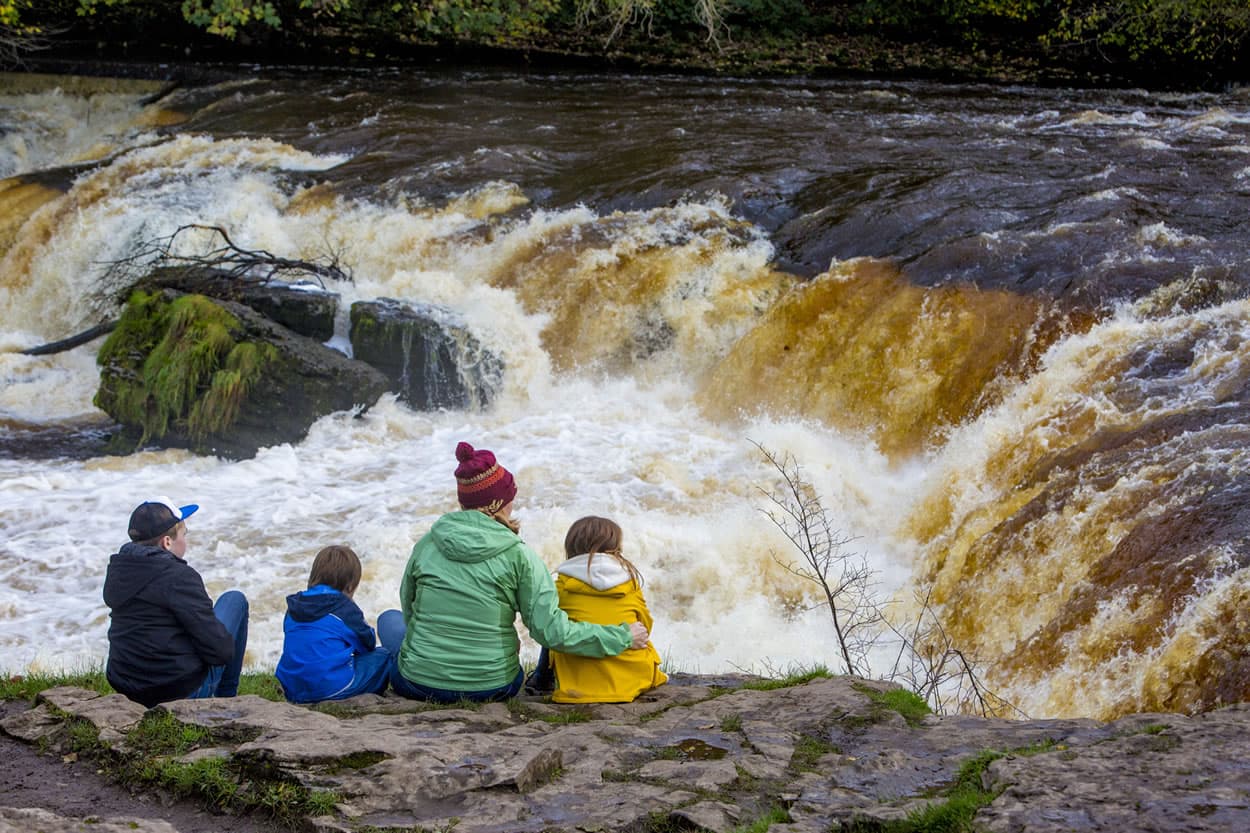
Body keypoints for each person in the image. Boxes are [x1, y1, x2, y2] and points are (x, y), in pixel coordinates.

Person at [385, 441, 650, 703]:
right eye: (510, 497)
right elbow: (551, 632)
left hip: (417, 683)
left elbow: (409, 608)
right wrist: (622, 636)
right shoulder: (521, 556)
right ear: (500, 502)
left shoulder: (427, 544)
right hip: (492, 686)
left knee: (389, 621)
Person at [103, 497, 248, 708]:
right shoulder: (179, 577)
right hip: (176, 692)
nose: (186, 541)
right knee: (235, 600)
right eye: (184, 534)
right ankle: (225, 702)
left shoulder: (118, 570)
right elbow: (221, 652)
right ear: (167, 542)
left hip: (128, 689)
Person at [528, 516, 667, 703]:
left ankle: (541, 679)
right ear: (616, 547)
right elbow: (645, 627)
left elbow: (552, 632)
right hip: (632, 680)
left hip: (579, 684)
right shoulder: (630, 584)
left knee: (555, 624)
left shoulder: (560, 587)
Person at [275, 545, 397, 703]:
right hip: (328, 689)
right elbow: (368, 644)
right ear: (350, 586)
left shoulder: (294, 606)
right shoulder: (344, 609)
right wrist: (352, 607)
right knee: (384, 655)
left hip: (291, 689)